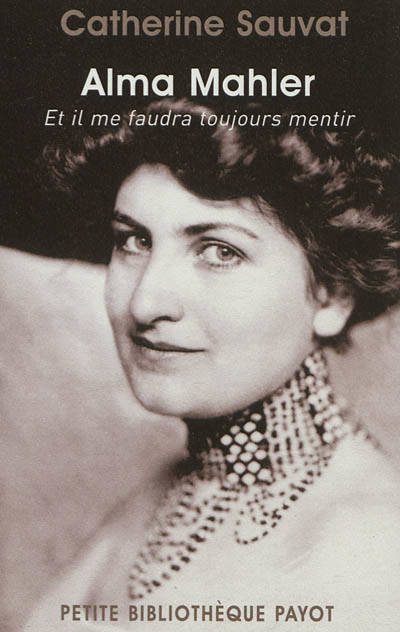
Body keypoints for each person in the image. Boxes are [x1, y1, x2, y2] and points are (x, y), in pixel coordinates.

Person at [25, 100, 400, 631]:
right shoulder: (171, 490)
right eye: (134, 240)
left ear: (332, 295)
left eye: (220, 251)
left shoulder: (371, 553)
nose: (145, 303)